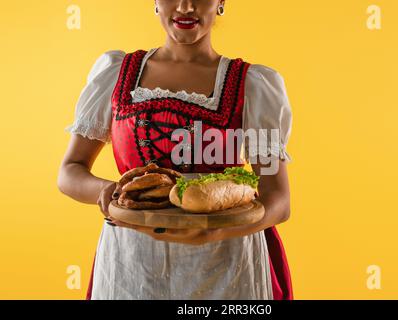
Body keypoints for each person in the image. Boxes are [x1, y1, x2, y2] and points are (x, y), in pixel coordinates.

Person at [58, 0, 293, 300]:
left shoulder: (255, 84)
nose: (185, 6)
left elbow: (279, 201)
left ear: (221, 2)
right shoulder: (116, 73)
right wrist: (107, 191)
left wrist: (215, 232)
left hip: (225, 265)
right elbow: (69, 171)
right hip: (132, 264)